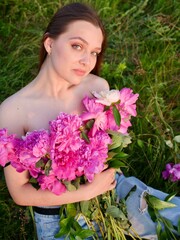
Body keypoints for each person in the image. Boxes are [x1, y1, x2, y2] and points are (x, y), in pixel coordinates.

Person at [0, 2, 179, 240]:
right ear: (50, 43)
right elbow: (20, 193)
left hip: (112, 191)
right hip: (62, 216)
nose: (87, 61)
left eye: (94, 52)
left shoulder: (96, 88)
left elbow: (109, 149)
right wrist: (86, 192)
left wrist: (104, 177)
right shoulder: (13, 110)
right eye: (77, 46)